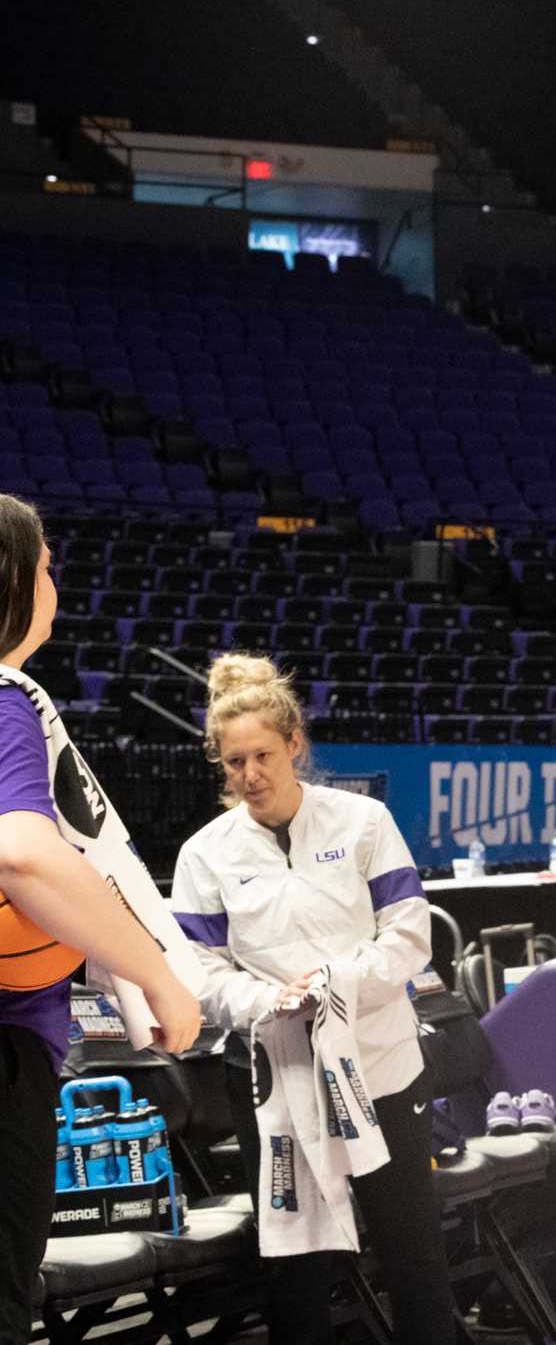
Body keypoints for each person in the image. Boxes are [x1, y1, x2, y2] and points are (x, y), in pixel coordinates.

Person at [168, 654, 456, 1345]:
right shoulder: (205, 854)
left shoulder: (362, 821)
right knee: (293, 1268)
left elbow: (410, 935)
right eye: (233, 762)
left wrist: (336, 985)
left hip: (378, 1067)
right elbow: (198, 971)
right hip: (275, 1078)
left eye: (263, 755)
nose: (250, 776)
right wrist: (267, 999)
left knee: (412, 1248)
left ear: (295, 743)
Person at [0, 496, 204, 1345]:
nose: (56, 579)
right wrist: (156, 971)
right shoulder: (6, 695)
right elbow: (25, 855)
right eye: (46, 562)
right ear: (11, 575)